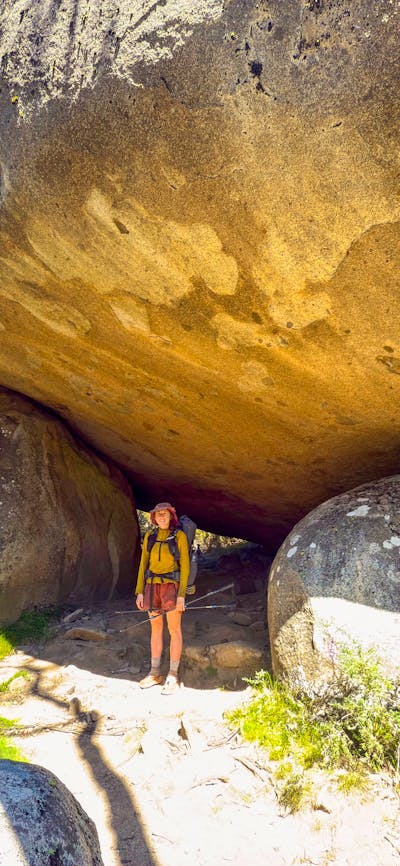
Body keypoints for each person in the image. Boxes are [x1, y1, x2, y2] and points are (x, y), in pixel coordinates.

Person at [135, 502, 190, 695]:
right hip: (151, 587)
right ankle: (155, 672)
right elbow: (143, 564)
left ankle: (173, 674)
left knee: (174, 629)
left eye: (165, 514)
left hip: (171, 587)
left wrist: (182, 595)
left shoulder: (179, 536)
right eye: (158, 515)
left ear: (171, 516)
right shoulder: (150, 537)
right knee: (156, 628)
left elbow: (185, 566)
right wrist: (139, 591)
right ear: (154, 518)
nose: (162, 518)